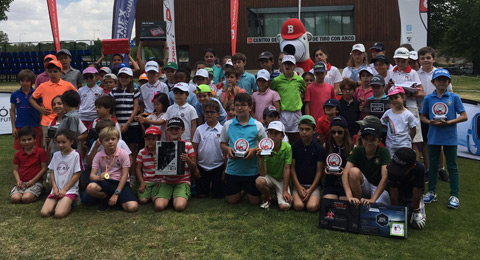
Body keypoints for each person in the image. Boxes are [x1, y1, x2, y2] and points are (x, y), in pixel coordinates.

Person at [421, 69, 467, 209]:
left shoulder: (454, 97)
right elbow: (423, 116)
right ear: (433, 82)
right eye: (439, 80)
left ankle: (454, 195)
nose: (442, 82)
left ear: (449, 82)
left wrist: (450, 122)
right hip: (434, 137)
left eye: (444, 80)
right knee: (433, 166)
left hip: (450, 137)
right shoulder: (428, 98)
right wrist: (430, 122)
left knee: (452, 166)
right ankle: (432, 192)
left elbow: (464, 116)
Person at [220, 93, 266, 205]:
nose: (239, 108)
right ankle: (242, 190)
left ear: (250, 107)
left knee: (254, 202)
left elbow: (264, 145)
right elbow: (222, 143)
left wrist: (254, 150)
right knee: (232, 201)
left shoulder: (257, 125)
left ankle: (247, 190)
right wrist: (228, 150)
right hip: (233, 169)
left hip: (251, 170)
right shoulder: (227, 125)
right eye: (237, 105)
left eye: (243, 105)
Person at [417, 47, 453, 181]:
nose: (425, 60)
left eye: (428, 57)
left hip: (440, 111)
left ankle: (441, 169)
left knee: (440, 142)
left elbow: (450, 91)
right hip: (423, 112)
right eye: (422, 58)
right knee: (426, 142)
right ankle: (428, 169)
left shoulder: (440, 73)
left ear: (433, 59)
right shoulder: (416, 74)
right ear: (419, 60)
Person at [87, 126, 138, 212]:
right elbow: (92, 176)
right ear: (102, 142)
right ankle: (106, 197)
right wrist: (98, 178)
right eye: (107, 140)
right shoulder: (98, 155)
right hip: (106, 181)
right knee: (91, 187)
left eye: (113, 139)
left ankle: (113, 199)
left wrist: (116, 193)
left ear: (118, 140)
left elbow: (125, 175)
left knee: (132, 207)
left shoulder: (123, 153)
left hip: (121, 182)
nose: (110, 142)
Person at [29, 59, 77, 149]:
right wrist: (40, 109)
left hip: (64, 120)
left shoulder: (67, 85)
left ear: (60, 72)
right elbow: (31, 99)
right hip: (47, 121)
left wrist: (71, 111)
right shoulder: (43, 86)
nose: (52, 74)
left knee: (64, 144)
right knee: (47, 146)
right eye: (50, 71)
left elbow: (76, 98)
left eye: (55, 71)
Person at [342, 124, 390, 205]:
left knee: (378, 207)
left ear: (379, 140)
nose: (368, 142)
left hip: (378, 188)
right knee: (353, 171)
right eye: (366, 139)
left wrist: (372, 199)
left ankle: (367, 203)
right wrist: (349, 196)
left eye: (372, 139)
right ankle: (357, 202)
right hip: (364, 186)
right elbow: (345, 173)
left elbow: (384, 178)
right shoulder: (357, 150)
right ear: (361, 139)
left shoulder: (384, 151)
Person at [155, 117, 197, 211]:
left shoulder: (188, 145)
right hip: (166, 181)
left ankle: (177, 196)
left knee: (179, 207)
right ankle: (171, 196)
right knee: (159, 206)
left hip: (182, 181)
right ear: (167, 130)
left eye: (177, 129)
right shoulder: (163, 146)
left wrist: (187, 159)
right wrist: (157, 164)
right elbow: (159, 170)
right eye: (171, 129)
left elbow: (194, 167)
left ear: (183, 130)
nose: (174, 131)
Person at [40, 129, 82, 218]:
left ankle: (71, 202)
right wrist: (54, 188)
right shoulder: (56, 155)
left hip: (69, 189)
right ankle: (59, 202)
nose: (60, 145)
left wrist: (64, 190)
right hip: (56, 189)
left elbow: (77, 174)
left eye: (63, 142)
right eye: (58, 142)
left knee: (59, 214)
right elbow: (52, 171)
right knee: (44, 213)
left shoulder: (76, 155)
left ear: (71, 142)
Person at [291, 115, 325, 212]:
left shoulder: (318, 148)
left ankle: (313, 197)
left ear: (314, 130)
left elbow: (319, 171)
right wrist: (298, 187)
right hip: (299, 184)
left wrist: (310, 190)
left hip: (313, 186)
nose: (304, 132)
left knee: (311, 207)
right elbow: (292, 168)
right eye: (301, 129)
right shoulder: (294, 146)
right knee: (298, 206)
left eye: (307, 129)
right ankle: (299, 194)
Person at [192, 101, 226, 198]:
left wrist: (225, 169)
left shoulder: (223, 129)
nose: (209, 114)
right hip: (202, 166)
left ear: (218, 114)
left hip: (218, 166)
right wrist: (195, 168)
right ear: (203, 114)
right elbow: (194, 149)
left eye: (212, 112)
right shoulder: (199, 129)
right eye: (207, 112)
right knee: (202, 195)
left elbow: (226, 151)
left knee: (218, 195)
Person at [256, 121, 292, 211]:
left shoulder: (287, 147)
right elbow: (263, 173)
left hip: (281, 179)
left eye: (276, 133)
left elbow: (287, 168)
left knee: (285, 207)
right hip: (269, 177)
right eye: (270, 133)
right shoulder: (263, 147)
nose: (273, 135)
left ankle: (278, 193)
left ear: (282, 136)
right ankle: (269, 196)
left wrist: (285, 190)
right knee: (259, 181)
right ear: (267, 134)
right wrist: (261, 159)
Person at [270, 55, 306, 143]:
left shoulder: (299, 79)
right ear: (282, 65)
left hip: (296, 113)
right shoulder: (276, 80)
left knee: (297, 137)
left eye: (290, 64)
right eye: (285, 63)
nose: (287, 66)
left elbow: (305, 90)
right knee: (283, 137)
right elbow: (272, 93)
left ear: (294, 66)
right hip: (283, 113)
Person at [387, 148, 426, 229]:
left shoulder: (419, 169)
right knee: (394, 216)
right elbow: (393, 190)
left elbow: (417, 190)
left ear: (412, 166)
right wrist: (394, 210)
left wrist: (416, 210)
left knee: (417, 224)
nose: (397, 171)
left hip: (412, 194)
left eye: (401, 169)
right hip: (399, 193)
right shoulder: (391, 167)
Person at [109, 67, 140, 167]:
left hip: (132, 125)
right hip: (118, 125)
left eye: (126, 77)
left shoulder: (135, 91)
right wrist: (118, 124)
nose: (124, 79)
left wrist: (127, 124)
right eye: (122, 77)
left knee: (132, 151)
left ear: (131, 79)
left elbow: (135, 109)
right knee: (119, 150)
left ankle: (132, 176)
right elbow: (113, 109)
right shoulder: (113, 92)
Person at [11, 126, 47, 204]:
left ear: (35, 139)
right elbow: (15, 170)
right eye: (23, 140)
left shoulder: (40, 152)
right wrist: (18, 180)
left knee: (26, 199)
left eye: (29, 139)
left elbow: (44, 168)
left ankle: (39, 191)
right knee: (15, 199)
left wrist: (33, 180)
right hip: (22, 182)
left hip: (35, 182)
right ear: (19, 141)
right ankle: (24, 192)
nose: (27, 142)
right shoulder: (18, 154)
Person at [381, 86, 418, 156]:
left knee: (404, 162)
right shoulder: (388, 113)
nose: (394, 100)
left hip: (404, 145)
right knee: (391, 163)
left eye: (396, 97)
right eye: (391, 99)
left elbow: (413, 130)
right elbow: (384, 125)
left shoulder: (408, 115)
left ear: (403, 97)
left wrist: (408, 139)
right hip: (391, 145)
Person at [11, 69, 42, 150]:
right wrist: (13, 127)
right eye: (22, 81)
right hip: (20, 125)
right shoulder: (15, 94)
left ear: (31, 81)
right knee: (20, 149)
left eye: (27, 81)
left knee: (36, 149)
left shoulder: (37, 93)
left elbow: (41, 110)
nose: (24, 83)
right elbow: (12, 111)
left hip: (35, 124)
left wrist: (41, 124)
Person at [323, 117, 352, 200]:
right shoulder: (326, 146)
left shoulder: (352, 147)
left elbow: (355, 168)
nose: (336, 135)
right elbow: (322, 165)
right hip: (331, 182)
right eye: (333, 132)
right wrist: (325, 169)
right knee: (330, 202)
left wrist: (345, 171)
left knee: (344, 202)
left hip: (346, 183)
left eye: (340, 132)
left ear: (345, 132)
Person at [51, 90, 87, 155]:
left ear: (64, 103)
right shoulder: (68, 116)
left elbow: (72, 136)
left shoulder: (72, 117)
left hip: (66, 153)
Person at [136, 127, 163, 207]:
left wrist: (162, 180)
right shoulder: (142, 152)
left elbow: (167, 169)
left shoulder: (162, 151)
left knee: (155, 199)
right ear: (145, 139)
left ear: (158, 139)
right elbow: (138, 169)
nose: (150, 141)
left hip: (159, 180)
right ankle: (148, 193)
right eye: (148, 139)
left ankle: (153, 194)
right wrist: (142, 182)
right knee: (143, 200)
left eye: (153, 139)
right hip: (147, 180)